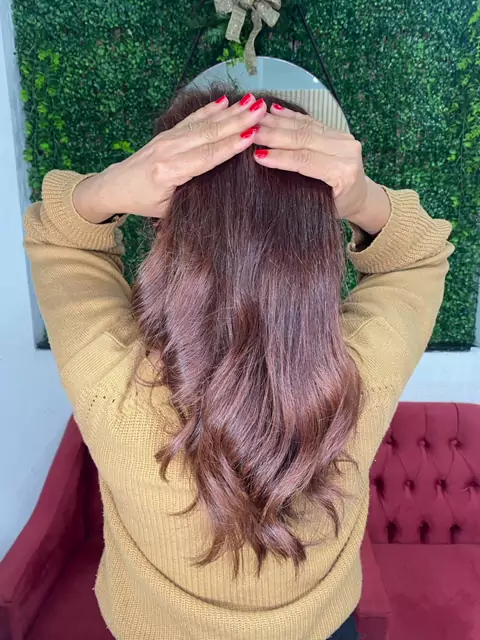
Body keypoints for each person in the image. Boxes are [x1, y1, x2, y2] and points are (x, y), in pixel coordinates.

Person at [24, 87, 453, 640]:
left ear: (167, 231)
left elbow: (60, 235)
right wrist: (361, 196)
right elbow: (420, 255)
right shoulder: (358, 382)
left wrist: (112, 185)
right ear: (317, 245)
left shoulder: (115, 392)